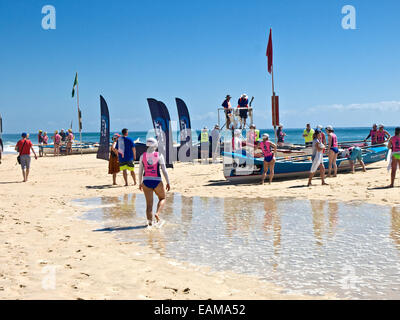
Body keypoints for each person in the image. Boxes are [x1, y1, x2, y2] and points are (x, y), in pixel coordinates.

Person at [138, 137, 171, 227]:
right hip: (157, 181)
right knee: (162, 198)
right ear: (155, 145)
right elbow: (164, 170)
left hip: (146, 181)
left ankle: (149, 224)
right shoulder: (159, 155)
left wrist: (140, 183)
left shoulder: (142, 156)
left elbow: (140, 171)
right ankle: (157, 213)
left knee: (149, 205)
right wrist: (168, 182)